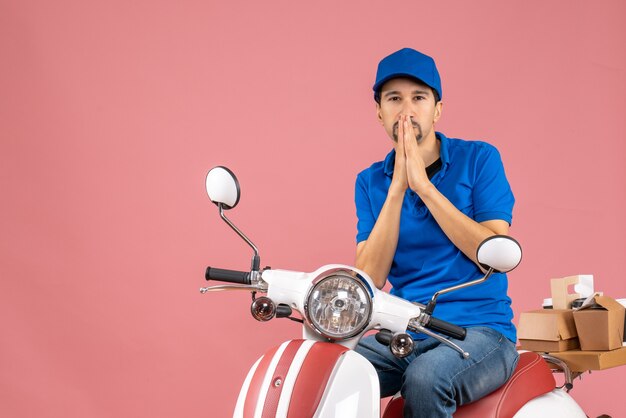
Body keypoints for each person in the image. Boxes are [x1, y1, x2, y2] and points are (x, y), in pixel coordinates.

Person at [354, 48, 519, 417]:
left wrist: (425, 188)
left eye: (418, 98)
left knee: (427, 378)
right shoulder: (369, 182)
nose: (406, 110)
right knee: (335, 368)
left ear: (438, 109)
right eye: (394, 99)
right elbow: (371, 277)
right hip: (405, 329)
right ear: (379, 112)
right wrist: (397, 188)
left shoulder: (479, 159)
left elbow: (490, 250)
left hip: (481, 331)